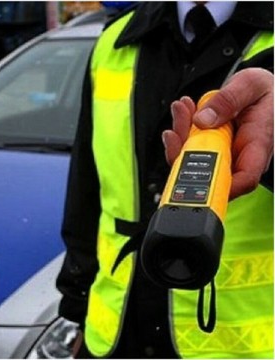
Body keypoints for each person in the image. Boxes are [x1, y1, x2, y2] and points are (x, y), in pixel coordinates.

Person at [55, 2, 273, 358]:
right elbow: (85, 191)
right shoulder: (116, 39)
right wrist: (76, 309)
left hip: (235, 345)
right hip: (115, 330)